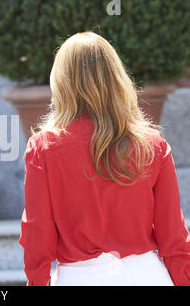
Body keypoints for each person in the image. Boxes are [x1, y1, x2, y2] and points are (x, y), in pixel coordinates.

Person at [19, 31, 190, 286]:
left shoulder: (43, 148)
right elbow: (174, 238)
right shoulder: (152, 144)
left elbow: (37, 236)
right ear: (116, 78)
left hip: (79, 278)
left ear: (62, 82)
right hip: (147, 275)